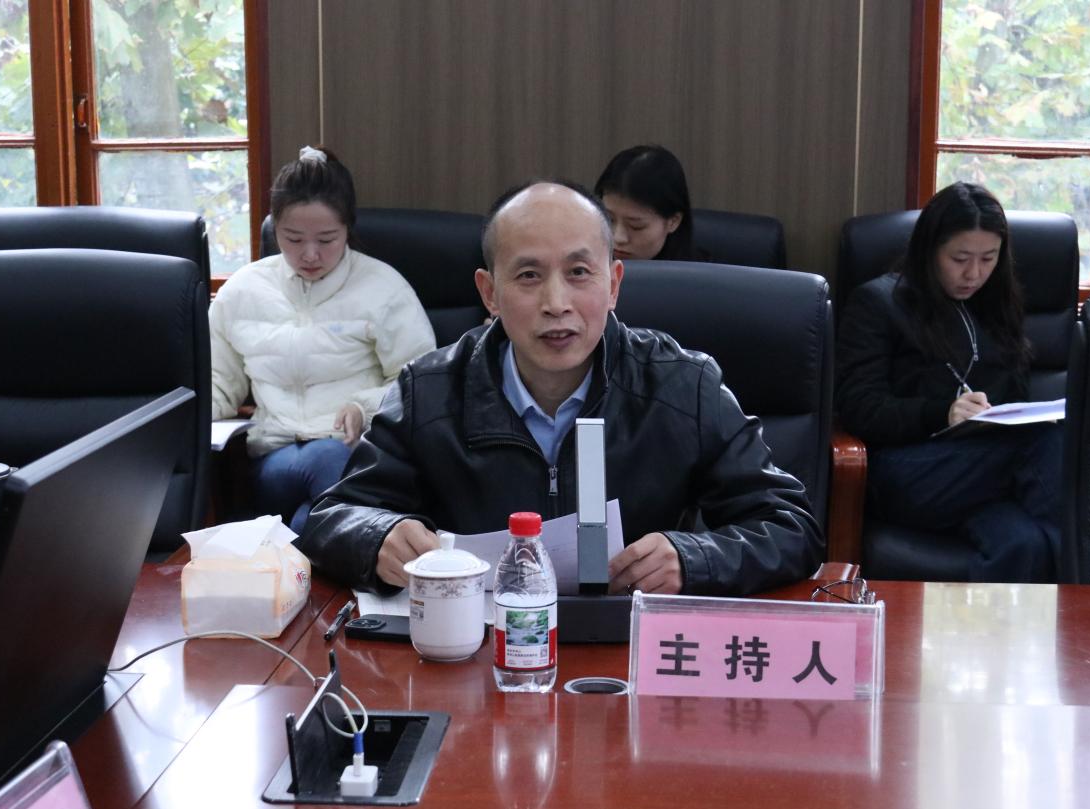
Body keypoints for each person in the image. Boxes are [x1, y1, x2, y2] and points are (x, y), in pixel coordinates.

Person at [299, 180, 821, 596]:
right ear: (490, 293)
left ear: (614, 283)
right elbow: (331, 518)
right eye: (528, 276)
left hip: (627, 650)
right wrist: (378, 538)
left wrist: (693, 559)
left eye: (579, 272)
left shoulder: (682, 384)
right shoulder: (430, 390)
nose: (556, 303)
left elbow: (791, 527)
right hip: (476, 654)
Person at [835, 181, 1061, 582]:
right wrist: (943, 413)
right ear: (929, 250)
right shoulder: (879, 302)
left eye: (988, 259)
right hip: (907, 472)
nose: (974, 274)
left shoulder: (996, 308)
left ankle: (992, 628)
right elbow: (859, 407)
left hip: (983, 474)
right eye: (959, 258)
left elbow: (1015, 394)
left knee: (1024, 543)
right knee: (1044, 443)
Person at [210, 146, 436, 532]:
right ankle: (340, 541)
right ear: (274, 229)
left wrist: (363, 407)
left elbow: (423, 382)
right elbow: (218, 385)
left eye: (327, 239)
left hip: (362, 454)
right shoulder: (243, 291)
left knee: (309, 513)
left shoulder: (383, 287)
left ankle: (304, 538)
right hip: (277, 458)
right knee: (326, 460)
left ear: (348, 229)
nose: (310, 255)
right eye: (293, 239)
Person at [594, 144, 696, 260]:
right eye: (608, 219)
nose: (618, 237)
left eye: (636, 227)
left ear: (673, 221)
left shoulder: (704, 270)